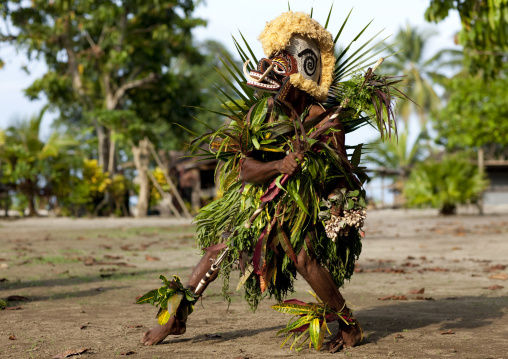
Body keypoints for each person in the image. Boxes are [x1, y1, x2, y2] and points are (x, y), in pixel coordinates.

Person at [140, 10, 398, 352]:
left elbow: (342, 172)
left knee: (302, 256)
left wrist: (337, 202)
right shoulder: (258, 114)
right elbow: (245, 169)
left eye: (280, 73)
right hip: (260, 197)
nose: (272, 87)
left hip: (303, 205)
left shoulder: (324, 119)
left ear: (300, 81)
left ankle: (348, 324)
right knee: (218, 246)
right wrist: (281, 164)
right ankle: (176, 315)